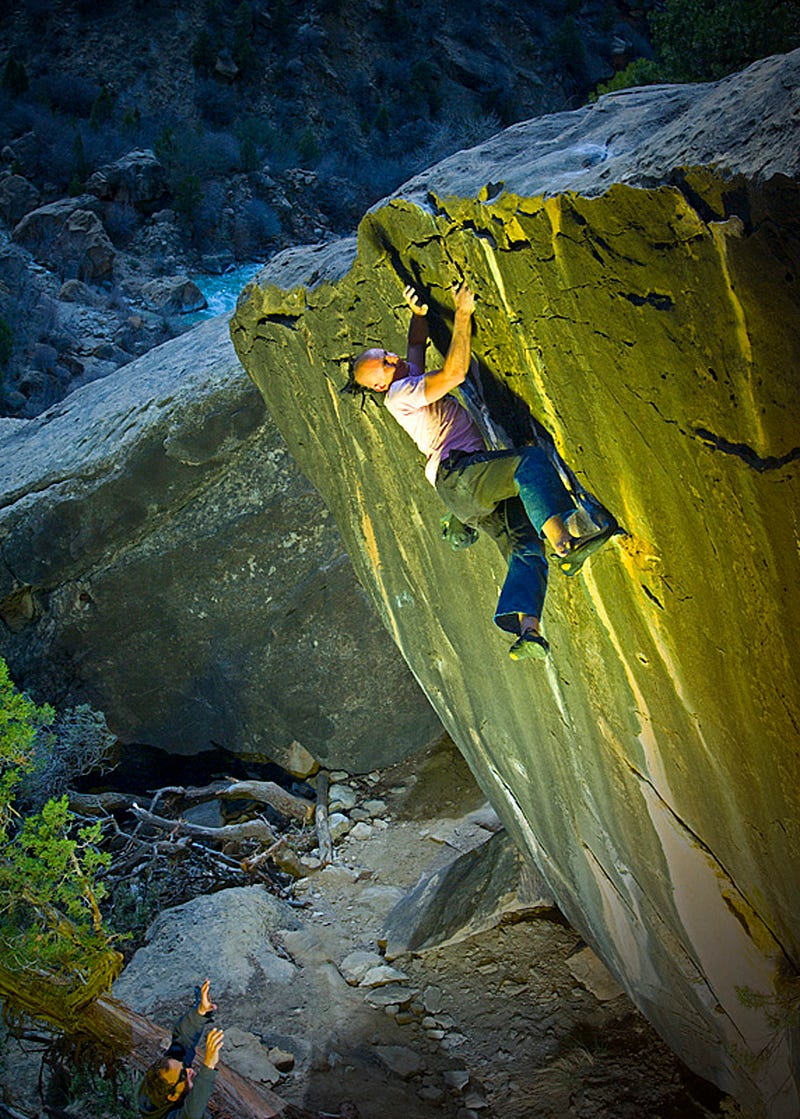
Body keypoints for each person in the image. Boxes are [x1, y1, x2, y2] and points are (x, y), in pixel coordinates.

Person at [344, 282, 617, 660]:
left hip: (464, 497)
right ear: (378, 385)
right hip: (461, 476)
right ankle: (564, 544)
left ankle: (529, 631)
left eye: (387, 354)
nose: (394, 360)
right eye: (385, 365)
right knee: (530, 462)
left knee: (524, 546)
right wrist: (462, 312)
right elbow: (455, 374)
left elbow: (412, 350)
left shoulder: (402, 379)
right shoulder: (400, 394)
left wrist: (419, 316)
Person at [137, 978, 224, 1119]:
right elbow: (191, 1115)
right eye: (184, 1074)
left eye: (183, 1067)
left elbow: (182, 1041)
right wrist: (208, 1067)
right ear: (172, 1096)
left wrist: (200, 1012)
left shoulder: (170, 1074)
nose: (190, 1070)